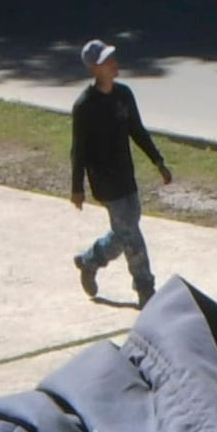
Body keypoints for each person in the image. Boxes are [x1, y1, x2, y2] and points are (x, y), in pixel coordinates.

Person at [70, 40, 171, 302]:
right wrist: (77, 187)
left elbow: (137, 130)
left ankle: (90, 261)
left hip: (126, 174)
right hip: (104, 181)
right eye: (107, 61)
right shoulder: (85, 106)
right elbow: (78, 149)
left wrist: (157, 161)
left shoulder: (124, 95)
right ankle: (146, 289)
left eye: (113, 58)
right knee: (131, 234)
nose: (115, 64)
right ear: (95, 68)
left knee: (126, 229)